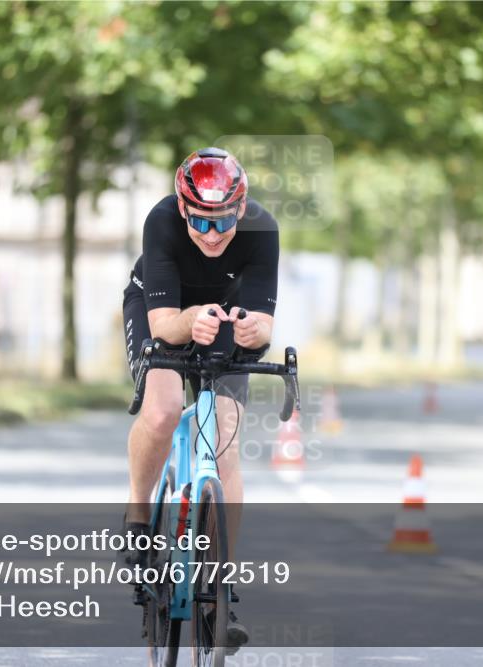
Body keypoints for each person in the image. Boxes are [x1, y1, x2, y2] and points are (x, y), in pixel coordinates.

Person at [121, 147, 279, 651]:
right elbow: (164, 326)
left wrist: (252, 330)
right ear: (182, 208)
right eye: (200, 222)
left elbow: (264, 324)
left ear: (242, 208)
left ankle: (221, 592)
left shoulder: (263, 229)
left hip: (225, 320)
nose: (212, 235)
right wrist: (191, 321)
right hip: (163, 312)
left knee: (225, 443)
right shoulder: (162, 220)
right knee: (164, 410)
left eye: (224, 221)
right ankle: (138, 512)